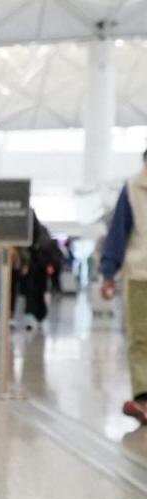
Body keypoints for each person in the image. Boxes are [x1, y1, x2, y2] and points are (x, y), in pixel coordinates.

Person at [101, 148, 147, 424]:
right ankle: (143, 397)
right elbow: (118, 232)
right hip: (139, 273)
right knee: (139, 338)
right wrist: (108, 273)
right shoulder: (132, 188)